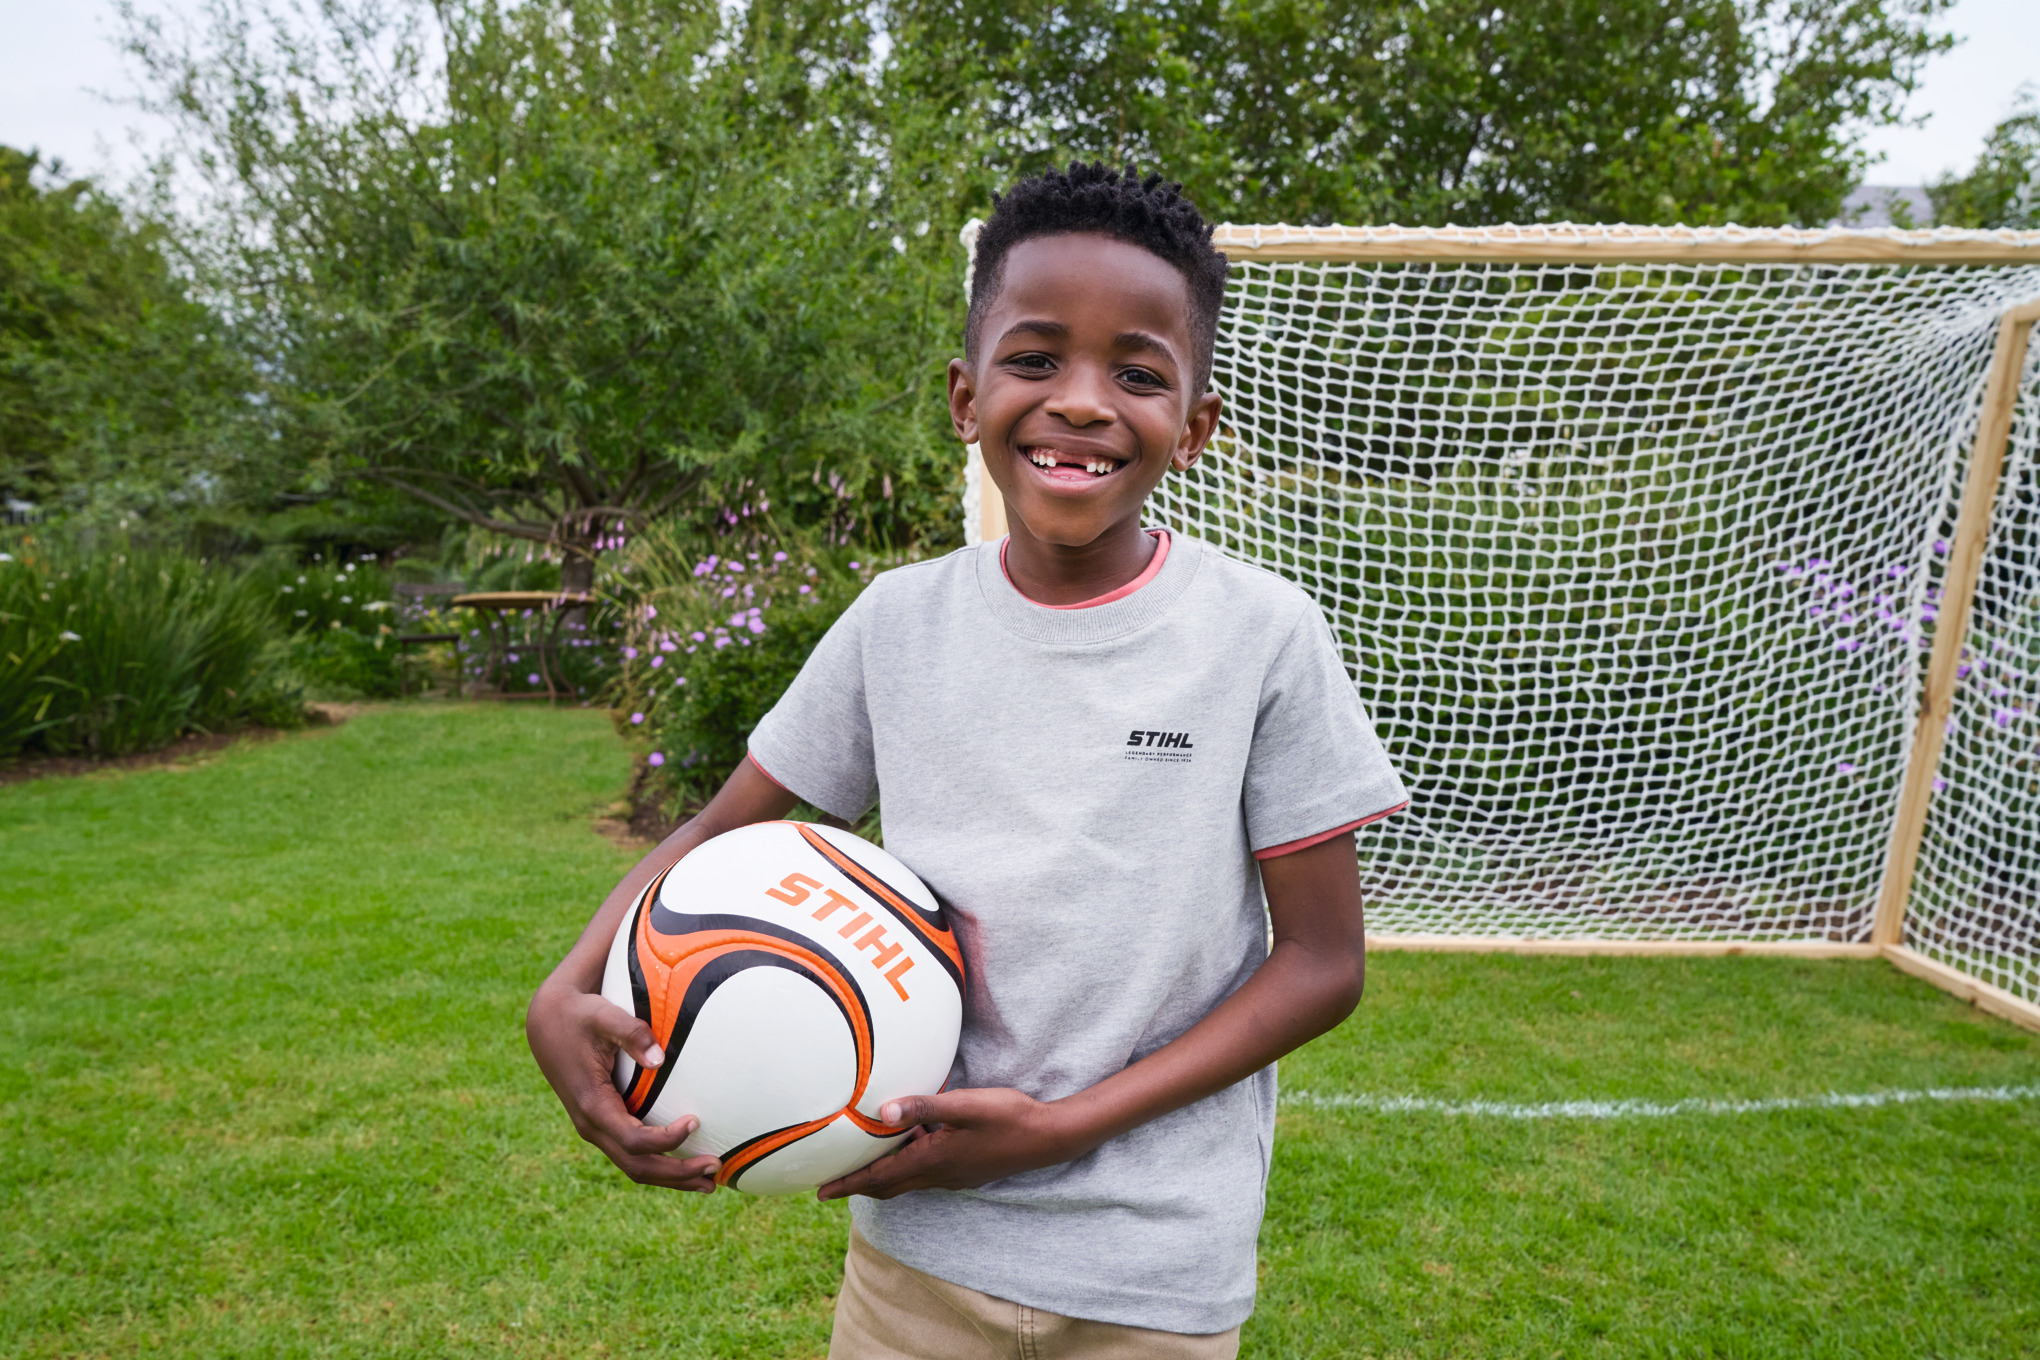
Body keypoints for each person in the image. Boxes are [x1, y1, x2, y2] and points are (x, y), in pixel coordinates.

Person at [526, 162, 1409, 1359]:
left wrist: (1064, 1126)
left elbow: (1321, 962)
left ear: (1195, 427)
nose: (1083, 403)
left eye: (1138, 373)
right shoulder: (896, 624)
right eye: (1036, 359)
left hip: (1152, 1264)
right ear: (965, 394)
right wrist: (566, 986)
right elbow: (725, 825)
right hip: (917, 1252)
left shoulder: (1260, 638)